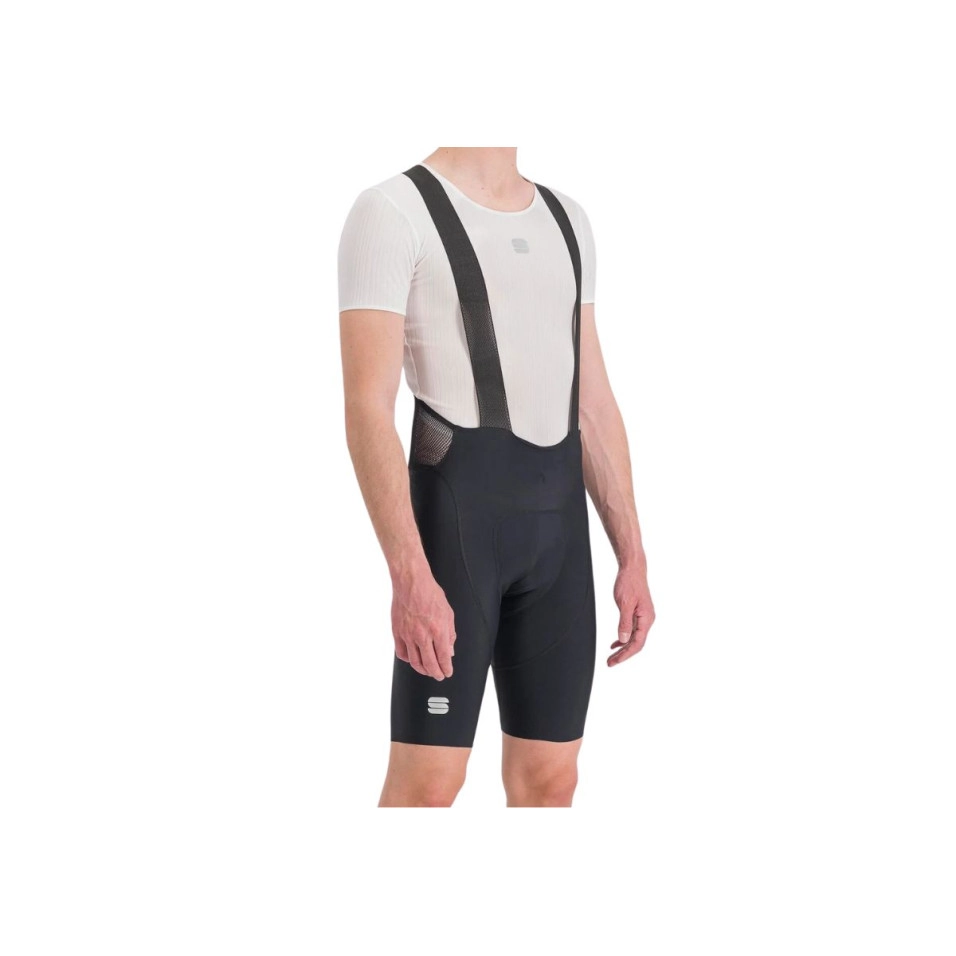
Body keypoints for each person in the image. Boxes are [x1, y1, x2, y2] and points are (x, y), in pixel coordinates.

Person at [338, 148, 654, 807]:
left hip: (559, 541)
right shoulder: (391, 211)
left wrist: (633, 555)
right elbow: (368, 407)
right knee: (428, 785)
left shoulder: (567, 218)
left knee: (552, 780)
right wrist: (408, 575)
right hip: (456, 534)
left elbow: (592, 401)